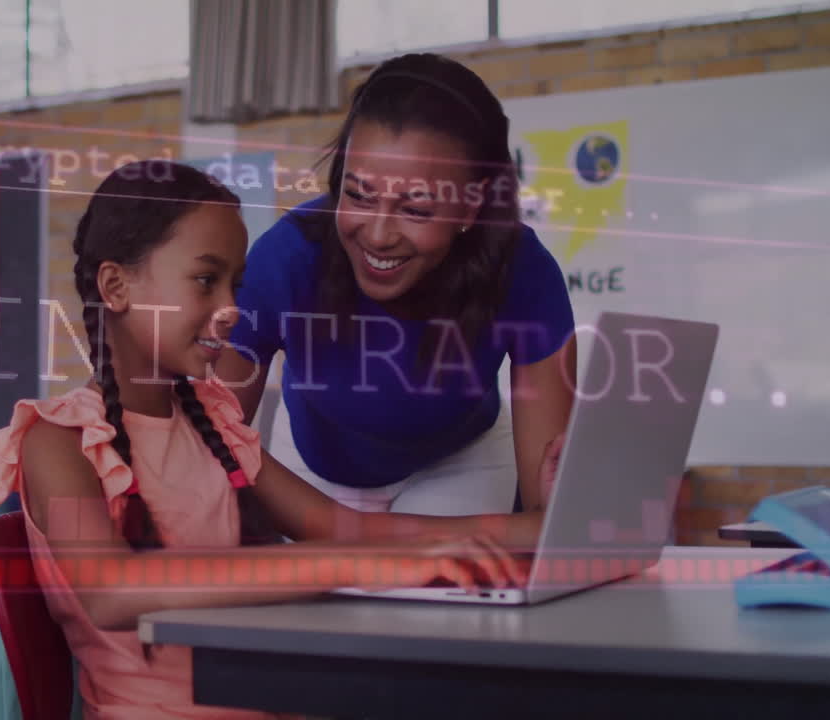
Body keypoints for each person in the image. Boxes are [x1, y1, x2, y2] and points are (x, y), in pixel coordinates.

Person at [0, 160, 539, 720]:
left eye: (235, 284)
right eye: (205, 279)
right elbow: (111, 590)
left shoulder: (211, 422)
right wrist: (364, 565)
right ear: (116, 286)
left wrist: (527, 532)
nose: (231, 309)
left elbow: (348, 529)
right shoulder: (58, 441)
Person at [214, 52, 576, 518]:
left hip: (462, 463)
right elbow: (210, 443)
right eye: (358, 195)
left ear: (470, 207)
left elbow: (548, 516)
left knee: (449, 589)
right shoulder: (286, 260)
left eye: (416, 209)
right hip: (314, 471)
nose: (379, 236)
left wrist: (562, 516)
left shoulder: (522, 270)